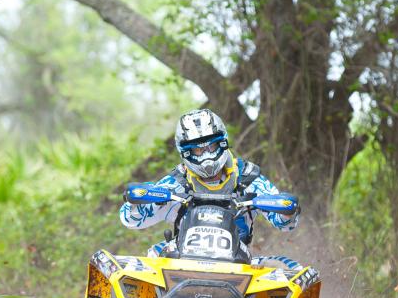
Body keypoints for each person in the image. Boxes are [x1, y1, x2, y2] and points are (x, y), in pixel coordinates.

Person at [119, 108, 298, 258]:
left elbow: (286, 224)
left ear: (222, 143)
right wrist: (136, 202)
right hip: (180, 261)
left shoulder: (248, 178)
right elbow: (130, 221)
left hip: (239, 264)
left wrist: (287, 211)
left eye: (211, 146)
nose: (206, 155)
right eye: (197, 150)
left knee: (289, 269)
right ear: (185, 152)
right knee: (149, 257)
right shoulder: (176, 183)